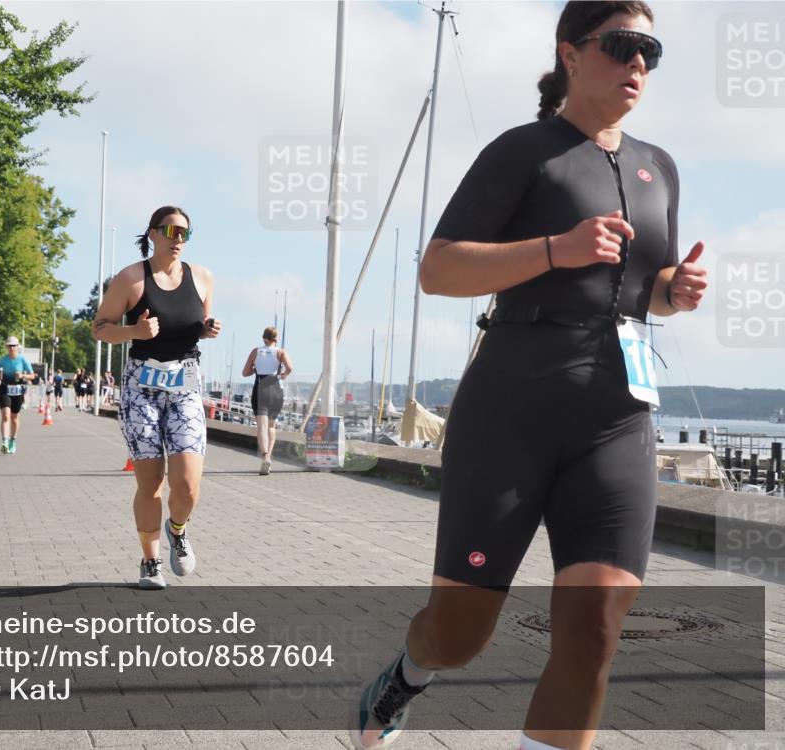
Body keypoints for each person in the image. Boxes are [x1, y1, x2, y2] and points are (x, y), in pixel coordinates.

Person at [352, 3, 708, 750]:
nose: (638, 62)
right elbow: (438, 268)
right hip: (511, 409)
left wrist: (674, 292)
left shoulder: (659, 167)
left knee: (596, 632)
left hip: (617, 417)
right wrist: (557, 248)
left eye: (651, 49)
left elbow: (646, 286)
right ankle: (408, 674)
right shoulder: (523, 152)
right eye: (622, 45)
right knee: (460, 635)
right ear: (571, 53)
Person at [92, 205, 221, 589]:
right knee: (150, 484)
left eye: (184, 232)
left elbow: (196, 327)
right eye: (170, 231)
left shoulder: (202, 277)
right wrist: (134, 331)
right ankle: (150, 561)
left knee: (187, 485)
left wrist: (207, 330)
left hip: (184, 387)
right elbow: (100, 329)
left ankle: (177, 530)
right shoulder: (131, 279)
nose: (177, 238)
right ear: (152, 233)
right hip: (141, 390)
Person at [241, 326, 293, 475]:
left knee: (261, 427)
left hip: (261, 388)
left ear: (264, 338)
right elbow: (290, 367)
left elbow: (245, 372)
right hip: (276, 389)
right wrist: (283, 375)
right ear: (275, 339)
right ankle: (269, 456)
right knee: (271, 427)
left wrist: (254, 369)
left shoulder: (256, 352)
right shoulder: (281, 352)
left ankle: (264, 457)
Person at [0, 336, 35, 454]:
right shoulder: (2, 360)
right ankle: (4, 442)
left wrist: (22, 376)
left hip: (18, 391)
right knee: (6, 416)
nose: (11, 348)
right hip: (5, 389)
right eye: (9, 346)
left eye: (14, 346)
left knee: (14, 418)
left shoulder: (23, 360)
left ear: (18, 347)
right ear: (7, 347)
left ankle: (12, 441)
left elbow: (32, 376)